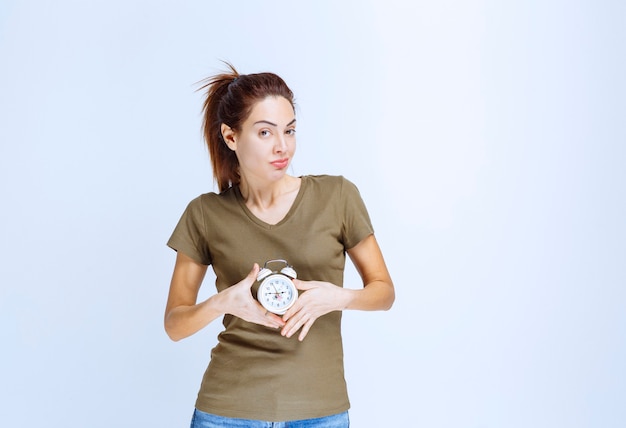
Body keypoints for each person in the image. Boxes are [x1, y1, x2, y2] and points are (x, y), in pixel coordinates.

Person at [164, 63, 395, 428]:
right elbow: (175, 325)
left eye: (289, 130)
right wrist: (222, 302)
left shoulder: (338, 196)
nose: (282, 146)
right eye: (265, 132)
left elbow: (384, 293)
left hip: (320, 412)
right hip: (227, 413)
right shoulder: (205, 214)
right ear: (231, 137)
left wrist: (338, 297)